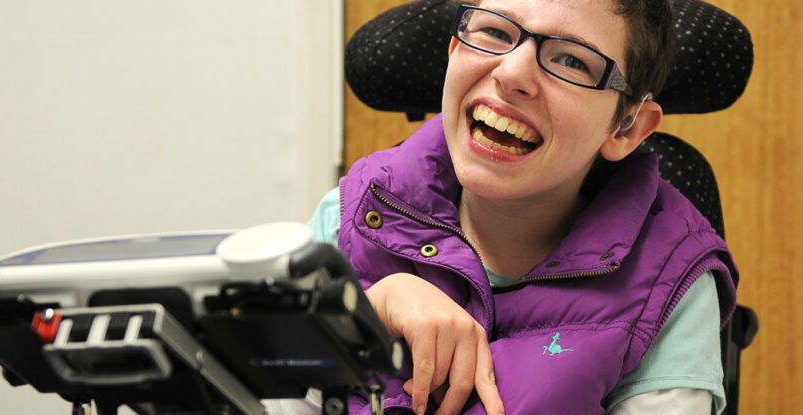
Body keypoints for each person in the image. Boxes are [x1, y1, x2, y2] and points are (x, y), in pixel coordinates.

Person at [306, 0, 738, 414]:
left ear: (626, 127)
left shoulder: (672, 284)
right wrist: (360, 310)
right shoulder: (353, 213)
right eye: (494, 32)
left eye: (572, 60)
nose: (512, 72)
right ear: (455, 48)